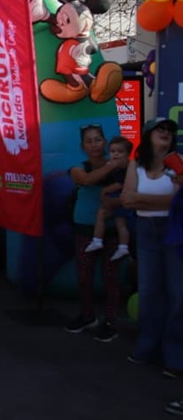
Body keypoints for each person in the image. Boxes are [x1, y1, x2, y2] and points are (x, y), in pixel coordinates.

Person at [121, 118, 181, 374]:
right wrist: (163, 201)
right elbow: (126, 200)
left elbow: (177, 202)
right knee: (149, 292)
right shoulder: (136, 164)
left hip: (174, 233)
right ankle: (147, 347)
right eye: (160, 129)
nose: (166, 133)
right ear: (148, 135)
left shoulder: (178, 163)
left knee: (178, 295)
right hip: (146, 232)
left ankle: (175, 357)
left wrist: (140, 199)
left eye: (169, 130)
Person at [65, 124, 128, 341]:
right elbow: (85, 180)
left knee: (111, 278)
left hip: (112, 229)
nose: (94, 144)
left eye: (98, 139)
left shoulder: (123, 169)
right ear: (83, 146)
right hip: (84, 228)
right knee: (84, 276)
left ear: (105, 142)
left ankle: (110, 321)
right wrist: (113, 165)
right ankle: (87, 314)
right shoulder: (78, 166)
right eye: (89, 141)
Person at [84, 136, 134, 261]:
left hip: (122, 197)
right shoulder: (111, 166)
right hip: (117, 198)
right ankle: (122, 247)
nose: (115, 154)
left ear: (127, 154)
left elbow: (122, 183)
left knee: (103, 214)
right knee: (119, 222)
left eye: (119, 151)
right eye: (113, 151)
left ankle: (98, 240)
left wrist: (106, 190)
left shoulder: (126, 167)